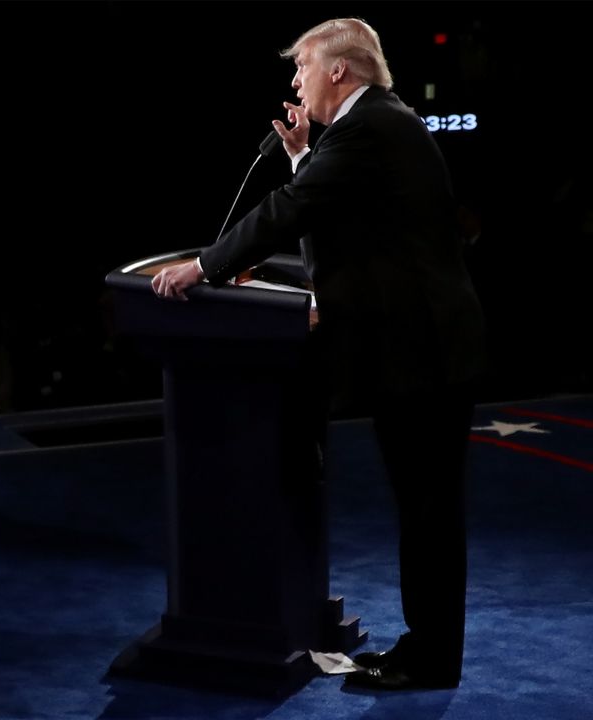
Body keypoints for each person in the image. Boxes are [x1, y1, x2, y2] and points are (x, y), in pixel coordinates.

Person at [151, 18, 486, 691]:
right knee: (425, 509)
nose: (295, 81)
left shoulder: (372, 126)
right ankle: (427, 650)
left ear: (339, 71)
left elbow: (293, 207)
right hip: (422, 349)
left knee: (428, 513)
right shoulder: (376, 130)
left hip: (423, 354)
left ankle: (430, 660)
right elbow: (339, 218)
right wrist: (306, 154)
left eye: (301, 67)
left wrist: (206, 267)